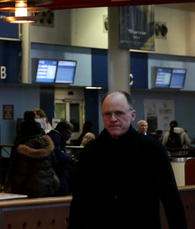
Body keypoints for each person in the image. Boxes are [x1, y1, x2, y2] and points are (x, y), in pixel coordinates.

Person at [68, 91, 186, 229]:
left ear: (132, 115)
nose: (113, 119)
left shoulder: (152, 150)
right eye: (107, 114)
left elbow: (170, 198)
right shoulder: (91, 152)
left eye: (119, 113)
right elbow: (79, 202)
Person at [5, 111, 59, 198]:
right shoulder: (47, 144)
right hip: (48, 186)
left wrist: (13, 189)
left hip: (29, 188)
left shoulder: (22, 148)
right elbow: (54, 162)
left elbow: (20, 172)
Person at [47, 121, 73, 196]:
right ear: (63, 130)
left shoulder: (55, 136)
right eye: (69, 132)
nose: (70, 135)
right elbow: (59, 156)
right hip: (58, 172)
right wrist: (69, 156)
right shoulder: (55, 137)